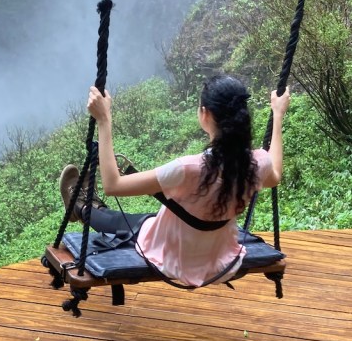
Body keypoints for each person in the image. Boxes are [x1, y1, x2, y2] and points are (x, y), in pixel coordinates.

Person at [59, 74, 291, 287]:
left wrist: (103, 120)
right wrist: (278, 115)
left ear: (205, 114)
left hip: (171, 257)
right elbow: (275, 176)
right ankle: (85, 206)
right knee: (145, 219)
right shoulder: (257, 163)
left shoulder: (187, 168)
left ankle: (82, 206)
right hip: (219, 255)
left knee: (126, 221)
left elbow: (113, 185)